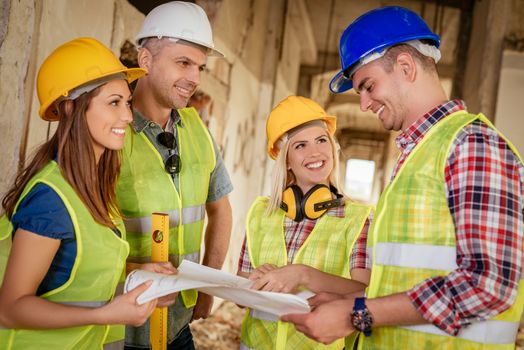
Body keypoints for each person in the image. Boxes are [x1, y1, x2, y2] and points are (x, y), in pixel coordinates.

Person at [282, 6, 524, 350]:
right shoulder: (419, 154)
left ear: (406, 67)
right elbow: (406, 281)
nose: (364, 104)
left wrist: (358, 314)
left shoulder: (472, 144)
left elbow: (487, 285)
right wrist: (348, 301)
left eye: (368, 86)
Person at [0, 37, 159, 349]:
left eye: (127, 102)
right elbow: (10, 309)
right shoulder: (50, 199)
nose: (128, 116)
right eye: (114, 103)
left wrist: (139, 274)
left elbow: (76, 267)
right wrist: (106, 314)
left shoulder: (94, 186)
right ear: (72, 108)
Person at [116, 2, 233, 349]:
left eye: (200, 66)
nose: (195, 78)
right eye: (183, 63)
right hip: (120, 330)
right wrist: (135, 274)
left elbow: (221, 210)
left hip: (178, 326)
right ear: (146, 60)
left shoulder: (198, 129)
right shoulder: (112, 131)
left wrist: (207, 287)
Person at [237, 96, 373, 349]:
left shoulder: (358, 218)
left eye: (322, 140)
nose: (315, 152)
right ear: (285, 160)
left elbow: (366, 292)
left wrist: (304, 275)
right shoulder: (260, 213)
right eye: (300, 145)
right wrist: (255, 281)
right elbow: (240, 297)